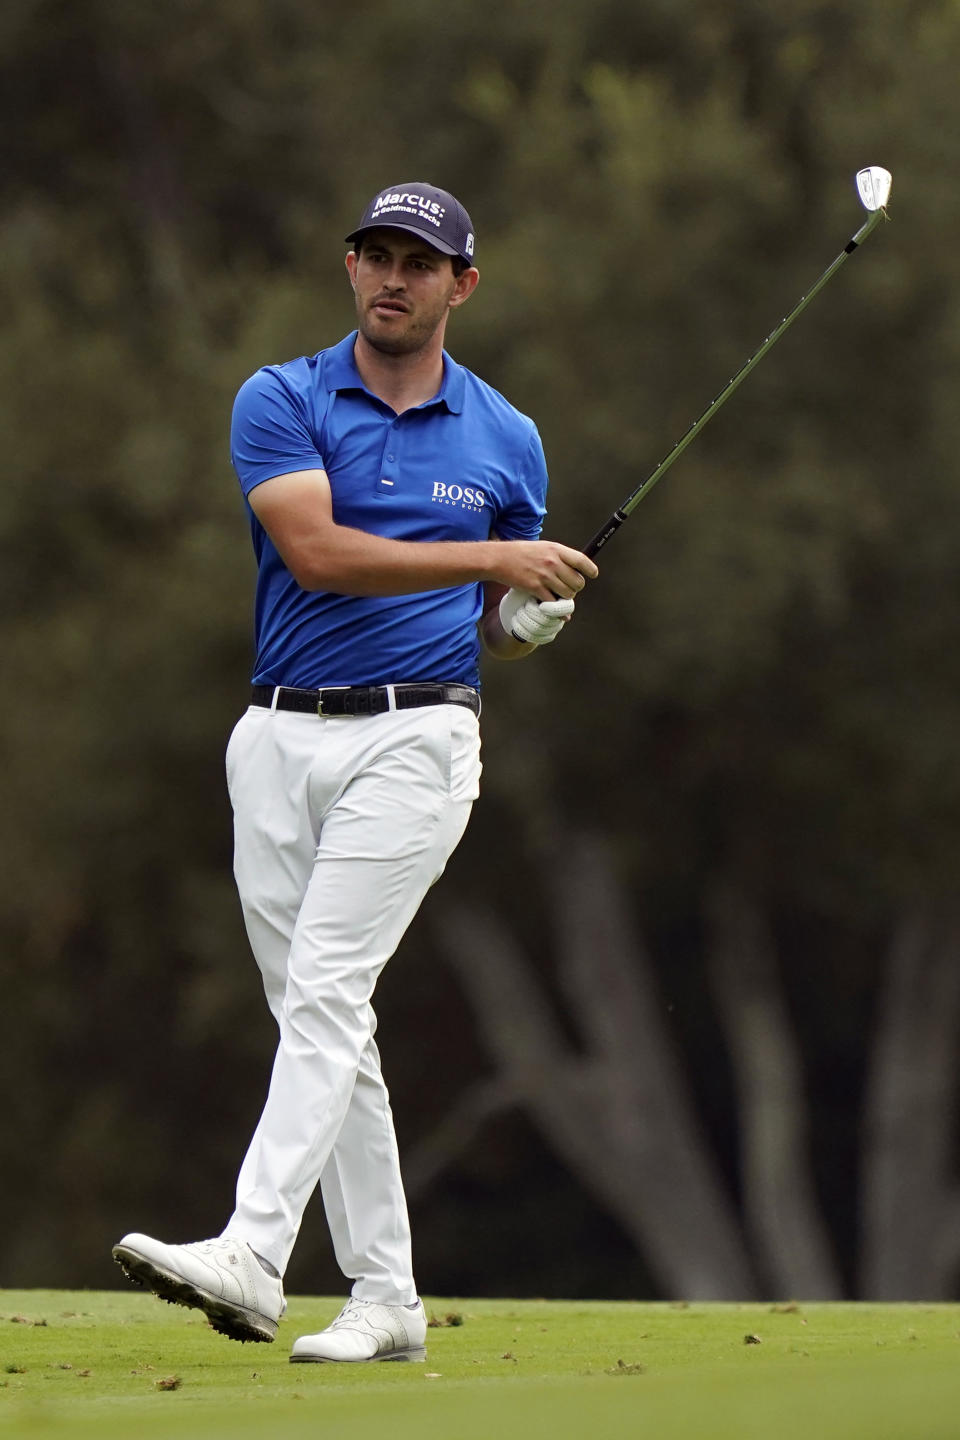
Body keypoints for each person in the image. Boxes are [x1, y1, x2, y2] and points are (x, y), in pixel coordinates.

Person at [112, 181, 597, 1364]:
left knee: (326, 991)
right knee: (322, 1023)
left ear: (460, 285)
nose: (392, 277)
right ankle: (387, 1296)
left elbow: (496, 614)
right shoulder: (279, 396)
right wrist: (496, 559)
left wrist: (524, 618)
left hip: (417, 738)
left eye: (418, 263)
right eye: (374, 256)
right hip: (276, 737)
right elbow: (317, 555)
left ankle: (252, 1252)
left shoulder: (507, 435)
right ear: (349, 271)